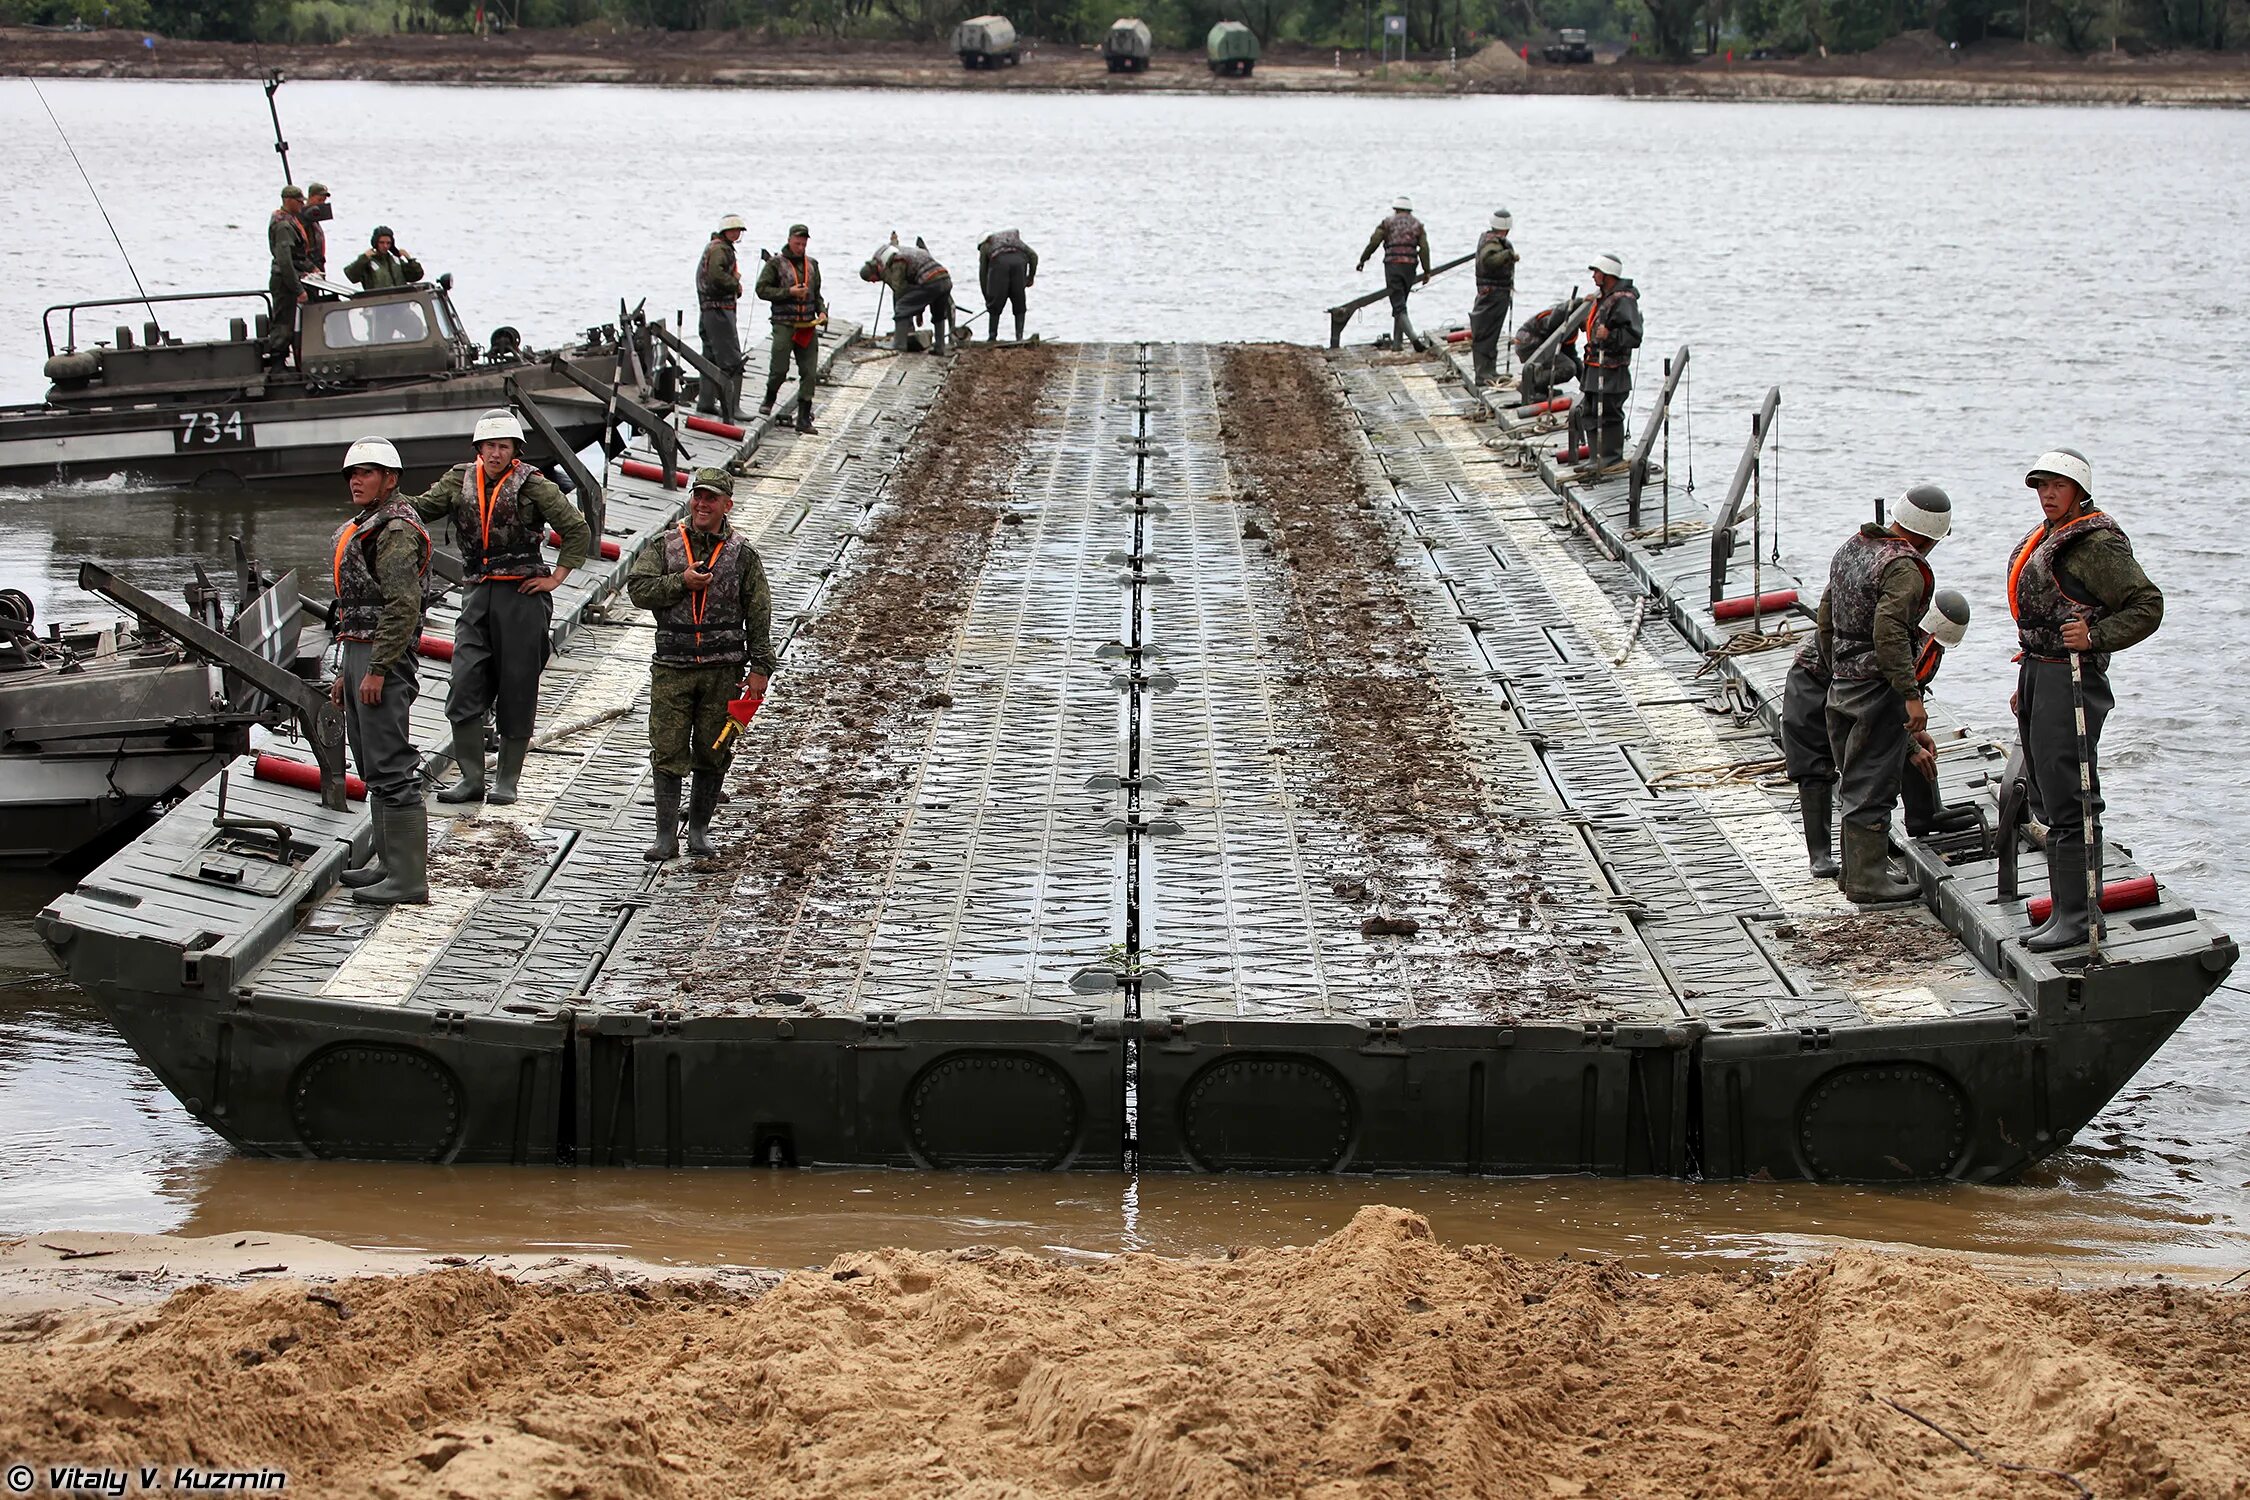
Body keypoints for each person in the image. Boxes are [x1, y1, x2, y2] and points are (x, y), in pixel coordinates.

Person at [2008, 448, 2164, 951]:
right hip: (2040, 671)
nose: (2047, 495)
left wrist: (2095, 638)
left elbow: (2147, 605)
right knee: (2049, 795)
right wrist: (2026, 679)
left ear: (2078, 490)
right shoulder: (2048, 538)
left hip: (2072, 678)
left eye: (2057, 486)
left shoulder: (2095, 544)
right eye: (2041, 486)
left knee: (2072, 797)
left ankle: (2078, 918)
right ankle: (2064, 913)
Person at [408, 408, 594, 806]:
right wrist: (385, 494)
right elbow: (420, 509)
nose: (495, 454)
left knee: (518, 686)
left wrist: (556, 577)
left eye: (503, 447)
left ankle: (507, 779)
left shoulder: (534, 486)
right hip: (476, 593)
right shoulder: (459, 480)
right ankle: (472, 778)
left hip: (522, 598)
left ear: (515, 451)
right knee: (463, 684)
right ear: (479, 448)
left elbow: (577, 528)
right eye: (490, 446)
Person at [625, 467, 776, 861]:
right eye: (698, 496)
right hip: (672, 667)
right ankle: (664, 836)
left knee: (714, 748)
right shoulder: (666, 546)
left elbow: (758, 611)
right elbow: (638, 590)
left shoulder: (743, 554)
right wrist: (680, 583)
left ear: (727, 504)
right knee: (668, 748)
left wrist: (761, 668)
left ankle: (699, 829)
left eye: (712, 498)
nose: (702, 504)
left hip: (722, 669)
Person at [1819, 486, 1952, 903]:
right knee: (1874, 783)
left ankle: (1859, 870)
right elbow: (1889, 631)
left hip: (1843, 681)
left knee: (1855, 777)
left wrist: (1836, 668)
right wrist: (1910, 696)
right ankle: (1866, 880)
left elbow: (1826, 616)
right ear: (1931, 537)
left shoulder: (1852, 548)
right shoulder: (1904, 569)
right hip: (1878, 688)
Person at [1785, 587, 1969, 879]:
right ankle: (1822, 856)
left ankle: (1924, 814)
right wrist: (1909, 745)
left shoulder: (1930, 648)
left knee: (1896, 746)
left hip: (1867, 689)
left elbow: (1905, 698)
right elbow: (1882, 701)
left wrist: (1915, 736)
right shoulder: (1893, 633)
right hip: (1817, 676)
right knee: (1815, 763)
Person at [327, 436, 432, 907]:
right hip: (360, 651)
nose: (356, 480)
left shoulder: (394, 530)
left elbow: (403, 606)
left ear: (390, 479)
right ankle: (388, 864)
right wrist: (346, 672)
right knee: (371, 763)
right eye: (352, 474)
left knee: (390, 764)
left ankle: (408, 878)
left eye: (366, 473)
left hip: (380, 656)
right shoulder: (369, 525)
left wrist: (377, 669)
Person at [756, 223, 827, 433]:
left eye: (804, 243)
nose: (801, 247)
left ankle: (804, 419)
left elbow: (818, 295)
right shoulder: (775, 264)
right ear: (789, 240)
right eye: (797, 243)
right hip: (784, 324)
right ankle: (769, 398)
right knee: (779, 369)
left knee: (809, 372)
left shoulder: (813, 264)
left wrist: (822, 312)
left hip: (807, 325)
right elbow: (762, 290)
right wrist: (789, 292)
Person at [1578, 253, 1642, 467]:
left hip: (1611, 368)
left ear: (1608, 275)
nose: (1593, 276)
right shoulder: (1603, 297)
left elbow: (1634, 336)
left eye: (1597, 272)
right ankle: (1597, 456)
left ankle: (1611, 457)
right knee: (1590, 410)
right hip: (1594, 364)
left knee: (1609, 411)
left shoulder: (1624, 300)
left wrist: (1610, 335)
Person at [1356, 194, 1432, 351]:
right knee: (1401, 303)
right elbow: (1424, 248)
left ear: (1395, 209)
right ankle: (1397, 345)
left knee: (1398, 305)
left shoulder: (1387, 223)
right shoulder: (1417, 225)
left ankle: (1414, 339)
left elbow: (1374, 242)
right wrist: (1427, 271)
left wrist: (1363, 259)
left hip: (1392, 266)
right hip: (1410, 266)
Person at [863, 239, 957, 356]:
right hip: (945, 279)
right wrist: (918, 311)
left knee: (902, 307)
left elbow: (900, 291)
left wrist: (903, 311)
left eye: (873, 280)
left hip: (930, 281)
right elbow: (916, 295)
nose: (874, 282)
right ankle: (940, 347)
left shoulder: (898, 261)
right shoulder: (907, 254)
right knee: (938, 314)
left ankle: (899, 344)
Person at [697, 214, 747, 418]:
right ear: (725, 231)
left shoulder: (713, 246)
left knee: (709, 356)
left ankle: (706, 402)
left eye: (739, 231)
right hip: (719, 310)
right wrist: (735, 284)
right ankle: (732, 408)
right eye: (734, 230)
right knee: (731, 359)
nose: (737, 234)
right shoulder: (720, 249)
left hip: (708, 309)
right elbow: (717, 275)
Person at [262, 185, 313, 365]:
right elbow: (285, 261)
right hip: (284, 280)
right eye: (299, 202)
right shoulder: (283, 225)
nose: (301, 205)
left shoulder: (289, 220)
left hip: (290, 276)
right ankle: (277, 361)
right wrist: (298, 289)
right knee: (283, 323)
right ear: (288, 201)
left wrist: (311, 268)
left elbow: (296, 256)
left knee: (287, 320)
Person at [1467, 209, 1517, 387]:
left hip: (1494, 293)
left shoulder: (1490, 240)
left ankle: (1489, 371)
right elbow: (1489, 260)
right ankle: (1483, 374)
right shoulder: (1493, 244)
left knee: (1491, 333)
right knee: (1486, 332)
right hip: (1493, 294)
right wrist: (1508, 255)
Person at [1512, 298, 1581, 404]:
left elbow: (1572, 356)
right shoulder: (1560, 318)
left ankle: (1540, 388)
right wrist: (1578, 302)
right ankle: (1531, 385)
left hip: (1531, 342)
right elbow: (1558, 313)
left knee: (1569, 364)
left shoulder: (1571, 331)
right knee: (1568, 367)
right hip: (1529, 342)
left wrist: (1587, 386)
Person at [977, 228, 1038, 344]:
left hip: (999, 266)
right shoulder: (1017, 243)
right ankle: (1019, 337)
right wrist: (1030, 278)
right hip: (1019, 264)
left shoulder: (986, 247)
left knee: (996, 305)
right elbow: (1034, 256)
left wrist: (988, 298)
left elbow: (983, 274)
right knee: (1019, 300)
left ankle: (992, 337)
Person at [344, 226, 423, 290]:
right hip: (378, 306)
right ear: (375, 243)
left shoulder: (396, 261)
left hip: (401, 304)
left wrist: (410, 260)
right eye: (381, 243)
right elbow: (351, 276)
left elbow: (416, 275)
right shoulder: (367, 263)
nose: (385, 246)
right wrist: (364, 258)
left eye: (388, 243)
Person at [301, 182, 333, 276]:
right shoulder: (302, 217)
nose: (322, 204)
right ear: (310, 197)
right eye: (319, 200)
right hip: (308, 267)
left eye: (323, 201)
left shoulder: (314, 218)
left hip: (318, 264)